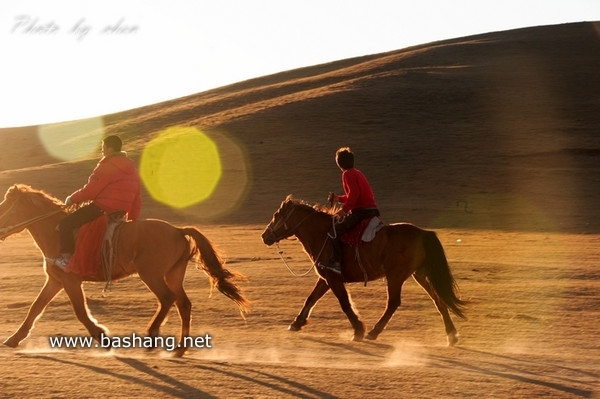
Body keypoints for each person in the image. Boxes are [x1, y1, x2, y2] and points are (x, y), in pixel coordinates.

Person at [54, 135, 142, 269]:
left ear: (110, 149)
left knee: (66, 224)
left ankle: (66, 259)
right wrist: (133, 219)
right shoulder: (133, 170)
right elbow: (137, 196)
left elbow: (90, 191)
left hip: (102, 208)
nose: (102, 151)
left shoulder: (107, 166)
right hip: (121, 211)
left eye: (103, 148)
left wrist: (72, 199)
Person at [319, 147, 380, 274]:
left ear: (339, 163)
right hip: (370, 209)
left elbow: (355, 194)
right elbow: (353, 195)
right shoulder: (357, 172)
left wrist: (344, 211)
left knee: (334, 231)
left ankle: (336, 263)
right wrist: (338, 198)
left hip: (361, 212)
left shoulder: (347, 174)